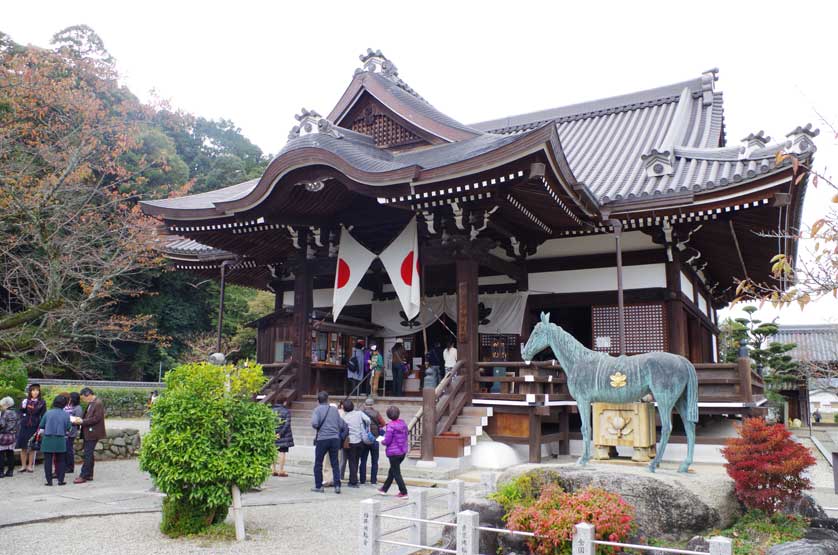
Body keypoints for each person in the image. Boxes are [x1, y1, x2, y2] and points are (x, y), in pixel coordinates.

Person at [310, 391, 347, 494]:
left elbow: (314, 423)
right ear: (327, 399)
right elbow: (341, 424)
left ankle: (319, 486)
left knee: (318, 463)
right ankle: (337, 486)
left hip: (322, 439)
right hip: (334, 439)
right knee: (335, 463)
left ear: (318, 401)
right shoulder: (334, 410)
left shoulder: (317, 410)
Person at [74, 387, 105, 484]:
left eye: (84, 398)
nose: (83, 400)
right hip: (89, 432)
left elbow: (96, 419)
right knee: (89, 454)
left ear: (88, 394)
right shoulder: (92, 403)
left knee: (87, 454)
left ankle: (84, 475)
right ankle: (89, 474)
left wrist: (82, 421)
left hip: (93, 433)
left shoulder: (98, 403)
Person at [39, 395, 72, 486]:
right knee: (61, 460)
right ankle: (60, 480)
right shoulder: (66, 414)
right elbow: (69, 427)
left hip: (48, 438)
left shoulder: (48, 413)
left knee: (48, 460)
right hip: (60, 439)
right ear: (64, 404)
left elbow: (41, 425)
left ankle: (49, 481)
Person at [378, 405, 409, 499]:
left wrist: (381, 440)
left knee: (396, 472)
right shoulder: (403, 424)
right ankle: (384, 489)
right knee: (392, 470)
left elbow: (387, 441)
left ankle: (403, 492)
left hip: (393, 452)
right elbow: (406, 434)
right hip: (402, 451)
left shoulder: (390, 426)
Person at [17, 383, 46, 473]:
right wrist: (23, 411)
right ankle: (23, 465)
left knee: (32, 447)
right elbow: (20, 412)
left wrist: (42, 426)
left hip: (35, 425)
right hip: (25, 425)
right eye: (33, 390)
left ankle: (30, 465)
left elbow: (44, 414)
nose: (35, 392)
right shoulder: (25, 401)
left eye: (37, 390)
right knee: (23, 446)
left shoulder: (42, 402)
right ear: (30, 391)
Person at [341, 399, 370, 488]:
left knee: (351, 462)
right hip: (359, 440)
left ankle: (353, 481)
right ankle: (354, 479)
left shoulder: (344, 417)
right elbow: (368, 420)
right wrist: (365, 428)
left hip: (349, 441)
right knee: (356, 461)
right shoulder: (359, 413)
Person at [360, 398, 385, 485]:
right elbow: (383, 423)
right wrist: (377, 426)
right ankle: (373, 480)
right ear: (372, 405)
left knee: (363, 460)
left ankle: (362, 480)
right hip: (374, 439)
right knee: (374, 461)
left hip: (364, 439)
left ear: (365, 404)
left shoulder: (361, 413)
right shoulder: (376, 413)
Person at [272, 395, 294, 477]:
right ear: (284, 402)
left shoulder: (271, 410)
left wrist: (273, 433)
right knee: (282, 452)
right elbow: (287, 424)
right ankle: (281, 470)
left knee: (273, 452)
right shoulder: (286, 411)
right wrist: (280, 434)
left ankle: (273, 469)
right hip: (283, 436)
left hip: (273, 434)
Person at [0, 396, 20, 477]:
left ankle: (1, 472)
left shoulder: (5, 413)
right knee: (10, 453)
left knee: (1, 454)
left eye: (2, 405)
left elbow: (2, 424)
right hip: (12, 435)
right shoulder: (16, 412)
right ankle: (10, 471)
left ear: (6, 404)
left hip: (3, 435)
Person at [64, 392, 83, 474]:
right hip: (66, 431)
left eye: (70, 398)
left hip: (72, 431)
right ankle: (66, 465)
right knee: (66, 449)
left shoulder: (78, 408)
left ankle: (70, 467)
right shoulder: (70, 406)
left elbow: (78, 420)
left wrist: (68, 419)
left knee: (69, 449)